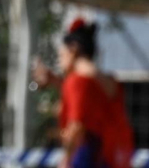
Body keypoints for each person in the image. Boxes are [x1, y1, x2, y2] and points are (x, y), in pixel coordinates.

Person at [32, 19, 135, 168]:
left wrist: (66, 159)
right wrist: (55, 81)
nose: (60, 60)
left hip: (88, 156)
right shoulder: (108, 80)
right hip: (110, 156)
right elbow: (89, 100)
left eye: (61, 55)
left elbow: (77, 124)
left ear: (73, 49)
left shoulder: (77, 81)